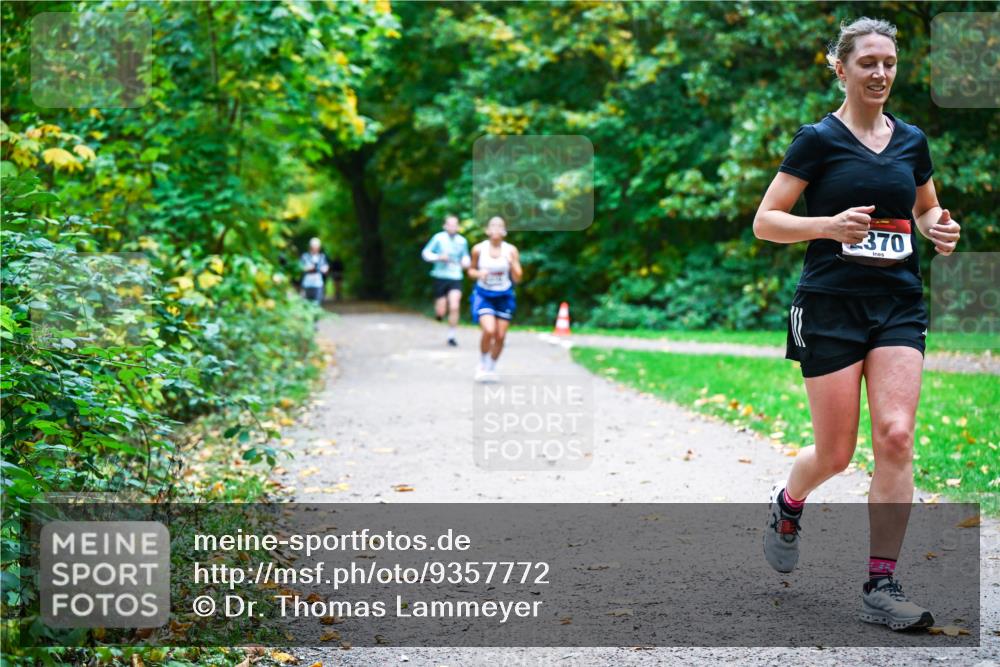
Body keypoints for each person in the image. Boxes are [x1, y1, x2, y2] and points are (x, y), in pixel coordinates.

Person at [753, 17, 961, 631]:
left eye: (889, 63)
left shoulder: (912, 141)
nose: (880, 73)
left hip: (898, 302)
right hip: (829, 305)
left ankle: (881, 583)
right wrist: (827, 226)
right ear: (840, 68)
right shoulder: (816, 140)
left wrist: (938, 230)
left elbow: (924, 210)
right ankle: (790, 503)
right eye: (867, 61)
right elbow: (767, 221)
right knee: (837, 453)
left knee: (896, 435)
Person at [468, 216, 522, 382]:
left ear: (504, 231)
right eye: (493, 225)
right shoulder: (478, 249)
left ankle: (491, 366)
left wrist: (512, 263)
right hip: (484, 294)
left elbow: (518, 278)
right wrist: (479, 274)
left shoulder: (511, 250)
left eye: (500, 226)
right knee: (489, 330)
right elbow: (471, 271)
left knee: (500, 336)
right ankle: (482, 364)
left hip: (504, 295)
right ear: (487, 230)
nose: (497, 229)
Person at [421, 215, 471, 346]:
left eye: (455, 224)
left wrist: (465, 262)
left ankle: (451, 336)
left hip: (455, 277)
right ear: (445, 226)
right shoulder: (438, 238)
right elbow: (425, 253)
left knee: (454, 306)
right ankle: (439, 314)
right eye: (450, 224)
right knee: (441, 310)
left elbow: (466, 257)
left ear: (458, 226)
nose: (453, 227)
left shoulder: (462, 241)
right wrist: (438, 257)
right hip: (440, 276)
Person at [299, 238, 329, 307]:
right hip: (307, 282)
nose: (315, 248)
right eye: (314, 247)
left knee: (317, 302)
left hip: (318, 282)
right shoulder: (305, 256)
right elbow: (300, 267)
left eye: (317, 247)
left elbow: (326, 267)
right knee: (307, 302)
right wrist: (307, 268)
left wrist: (324, 269)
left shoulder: (322, 257)